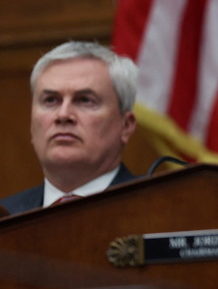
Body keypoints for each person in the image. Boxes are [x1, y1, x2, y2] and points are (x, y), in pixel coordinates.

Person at [0, 41, 139, 216]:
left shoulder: (163, 207)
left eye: (85, 100)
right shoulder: (5, 219)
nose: (63, 115)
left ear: (126, 126)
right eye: (50, 100)